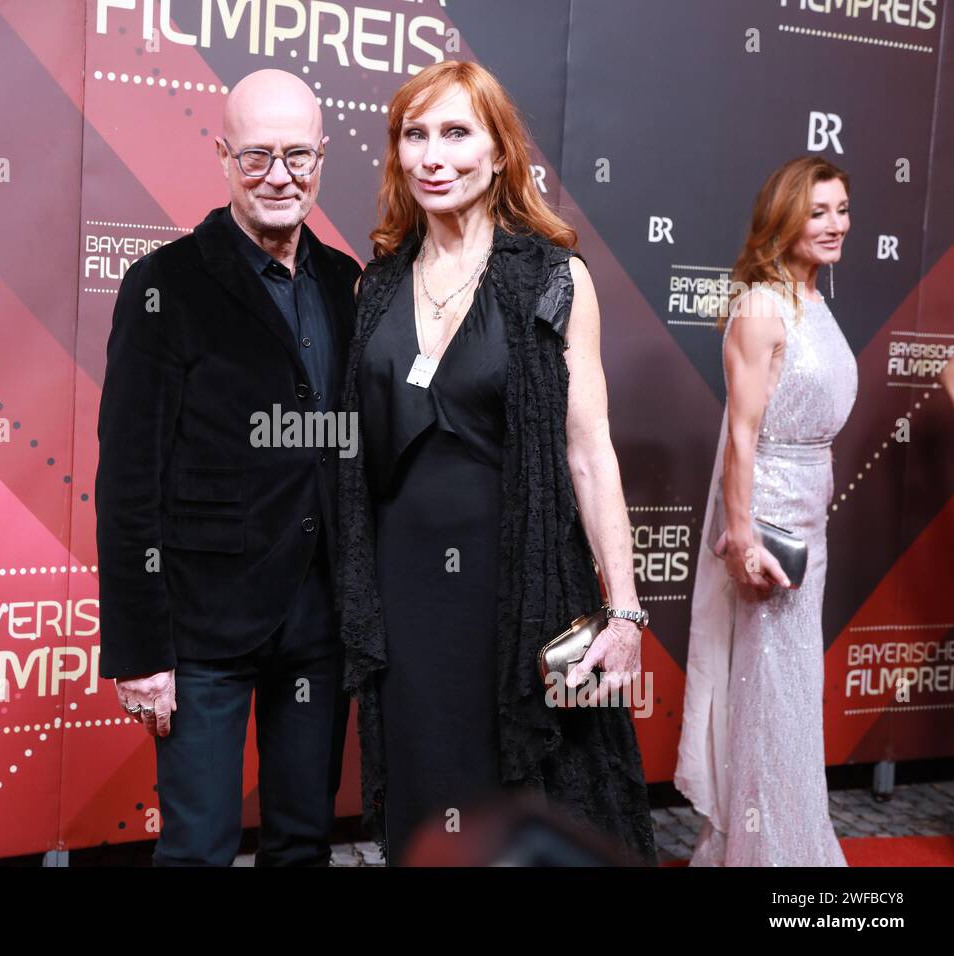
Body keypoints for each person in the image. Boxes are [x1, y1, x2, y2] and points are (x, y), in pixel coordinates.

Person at [337, 59, 657, 866]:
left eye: (456, 133)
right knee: (424, 785)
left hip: (517, 585)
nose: (434, 157)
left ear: (500, 153)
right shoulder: (376, 285)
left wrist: (622, 610)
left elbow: (588, 450)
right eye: (416, 135)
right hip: (404, 588)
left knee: (525, 788)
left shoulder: (553, 278)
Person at [95, 69, 360, 866]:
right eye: (256, 157)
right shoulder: (163, 286)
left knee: (303, 842)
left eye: (297, 156)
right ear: (222, 157)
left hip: (320, 620)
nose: (279, 177)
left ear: (322, 156)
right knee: (198, 850)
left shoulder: (351, 285)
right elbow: (127, 479)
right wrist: (140, 650)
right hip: (201, 626)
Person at [675, 156, 857, 866]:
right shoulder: (761, 306)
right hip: (769, 533)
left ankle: (789, 844)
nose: (836, 224)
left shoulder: (815, 301)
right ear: (784, 219)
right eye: (818, 211)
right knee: (769, 699)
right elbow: (742, 436)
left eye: (842, 209)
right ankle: (765, 854)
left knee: (792, 698)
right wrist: (742, 537)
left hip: (809, 524)